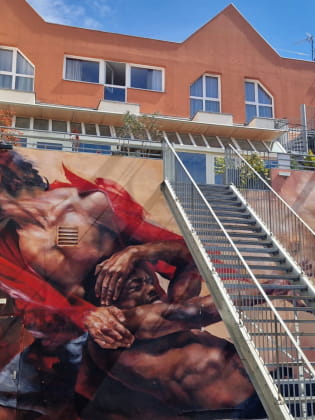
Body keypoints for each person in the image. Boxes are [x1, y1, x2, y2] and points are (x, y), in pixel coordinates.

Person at [0, 150, 206, 418]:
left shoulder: (90, 203)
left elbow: (188, 255)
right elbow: (34, 304)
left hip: (138, 327)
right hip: (79, 343)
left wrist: (136, 253)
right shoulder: (7, 248)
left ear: (10, 180)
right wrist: (87, 315)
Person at [80, 263, 262, 420]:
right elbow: (199, 312)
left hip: (262, 385)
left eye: (149, 281)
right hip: (242, 409)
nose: (151, 288)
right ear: (108, 300)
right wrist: (269, 288)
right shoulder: (114, 336)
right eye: (136, 287)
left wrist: (136, 252)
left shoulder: (162, 318)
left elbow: (187, 259)